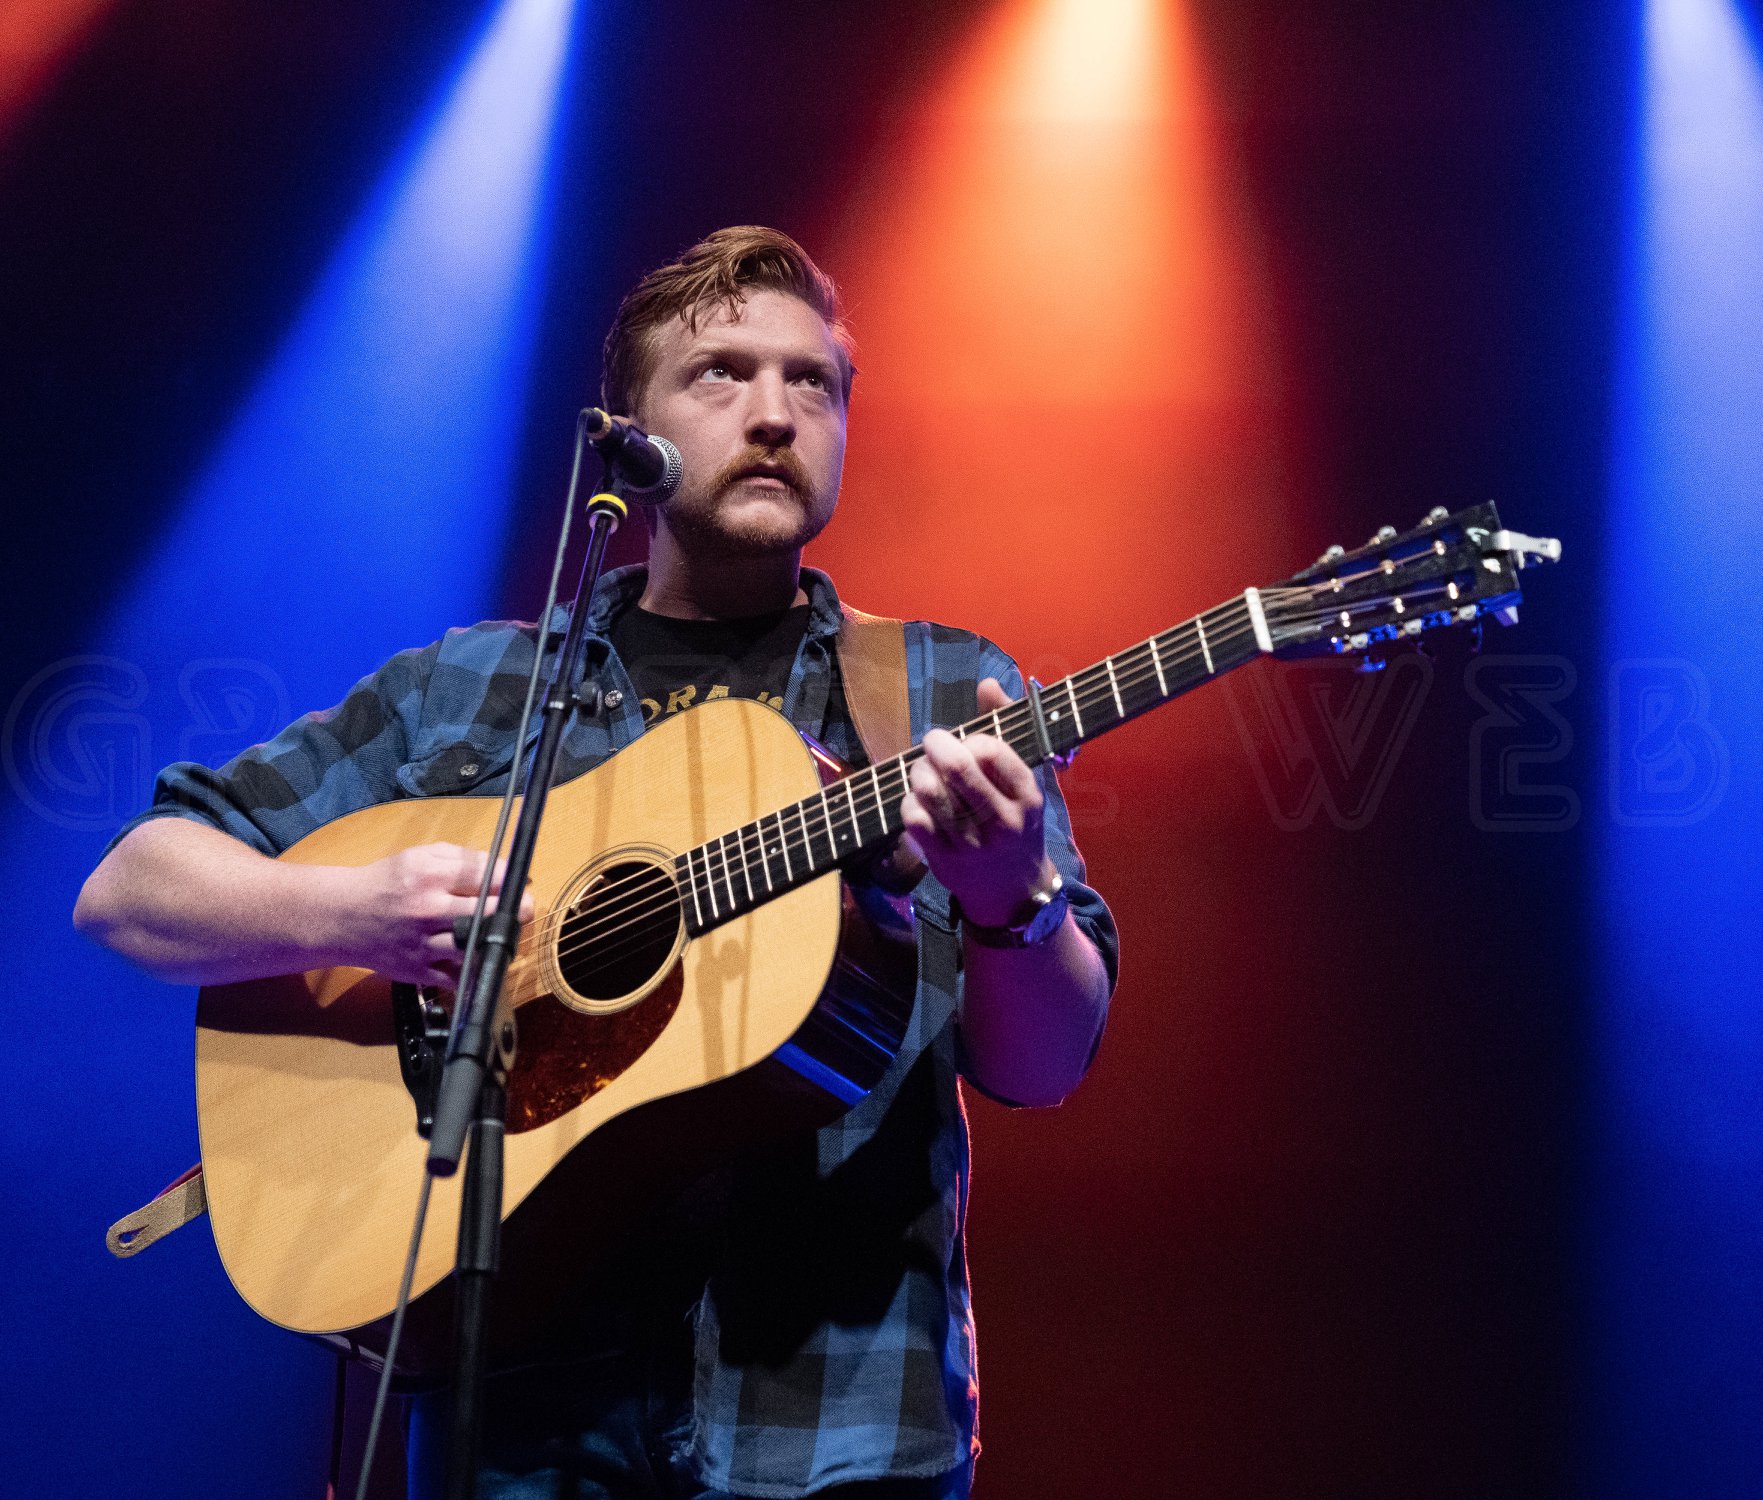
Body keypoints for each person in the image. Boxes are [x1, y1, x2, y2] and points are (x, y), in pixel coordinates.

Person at [75, 226, 1119, 1500]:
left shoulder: (943, 695)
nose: (777, 416)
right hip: (516, 1421)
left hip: (840, 1424)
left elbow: (1045, 1063)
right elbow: (129, 889)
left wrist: (1010, 898)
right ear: (628, 428)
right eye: (721, 374)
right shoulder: (468, 690)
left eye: (814, 383)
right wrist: (353, 912)